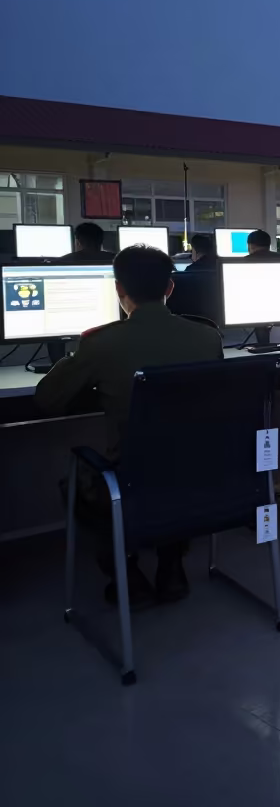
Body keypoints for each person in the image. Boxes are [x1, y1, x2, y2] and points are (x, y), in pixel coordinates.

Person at [35, 246, 224, 604]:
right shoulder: (207, 337)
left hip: (131, 482)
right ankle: (171, 566)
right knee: (171, 468)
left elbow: (47, 400)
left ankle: (126, 572)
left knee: (74, 484)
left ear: (119, 289)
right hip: (196, 475)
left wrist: (74, 359)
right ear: (170, 287)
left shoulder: (100, 342)